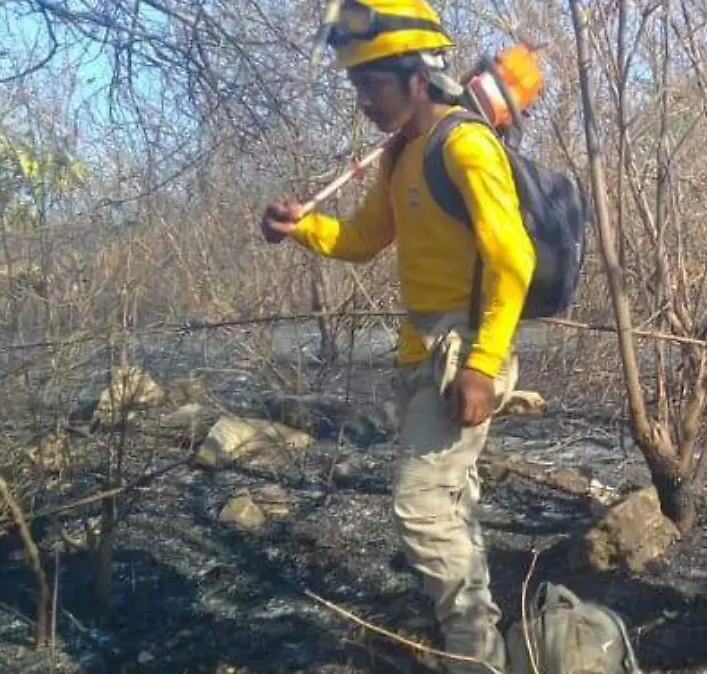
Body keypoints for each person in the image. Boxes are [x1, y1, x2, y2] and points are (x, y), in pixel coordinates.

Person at [258, 1, 534, 672]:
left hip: (465, 353)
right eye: (355, 85)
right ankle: (476, 641)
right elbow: (361, 240)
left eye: (371, 84)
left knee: (418, 508)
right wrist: (304, 229)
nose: (361, 100)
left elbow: (512, 259)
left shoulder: (465, 146)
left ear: (417, 77)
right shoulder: (401, 154)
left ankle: (476, 655)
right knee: (449, 504)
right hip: (422, 353)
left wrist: (482, 364)